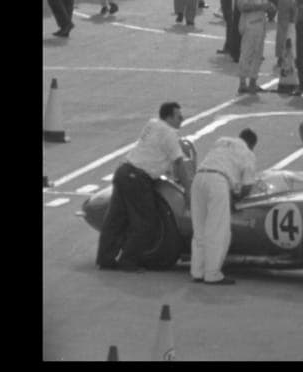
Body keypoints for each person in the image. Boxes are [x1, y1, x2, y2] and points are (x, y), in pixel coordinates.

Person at [96, 102, 194, 271]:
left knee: (115, 220)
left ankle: (105, 259)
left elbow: (155, 151)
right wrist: (188, 190)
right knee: (145, 222)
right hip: (138, 179)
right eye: (179, 116)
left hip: (124, 171)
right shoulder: (170, 134)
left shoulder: (153, 123)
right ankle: (128, 261)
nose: (182, 119)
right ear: (169, 117)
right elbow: (179, 164)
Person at [189, 128, 258, 286]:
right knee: (218, 231)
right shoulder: (248, 153)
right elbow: (247, 187)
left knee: (199, 230)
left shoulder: (221, 141)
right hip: (218, 182)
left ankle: (197, 272)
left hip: (199, 179)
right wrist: (235, 198)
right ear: (252, 145)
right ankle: (212, 274)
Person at [236, 0, 275, 94]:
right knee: (247, 53)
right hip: (250, 24)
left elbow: (262, 2)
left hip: (260, 23)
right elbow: (242, 6)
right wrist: (261, 6)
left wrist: (268, 7)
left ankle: (253, 81)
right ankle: (242, 82)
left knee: (258, 54)